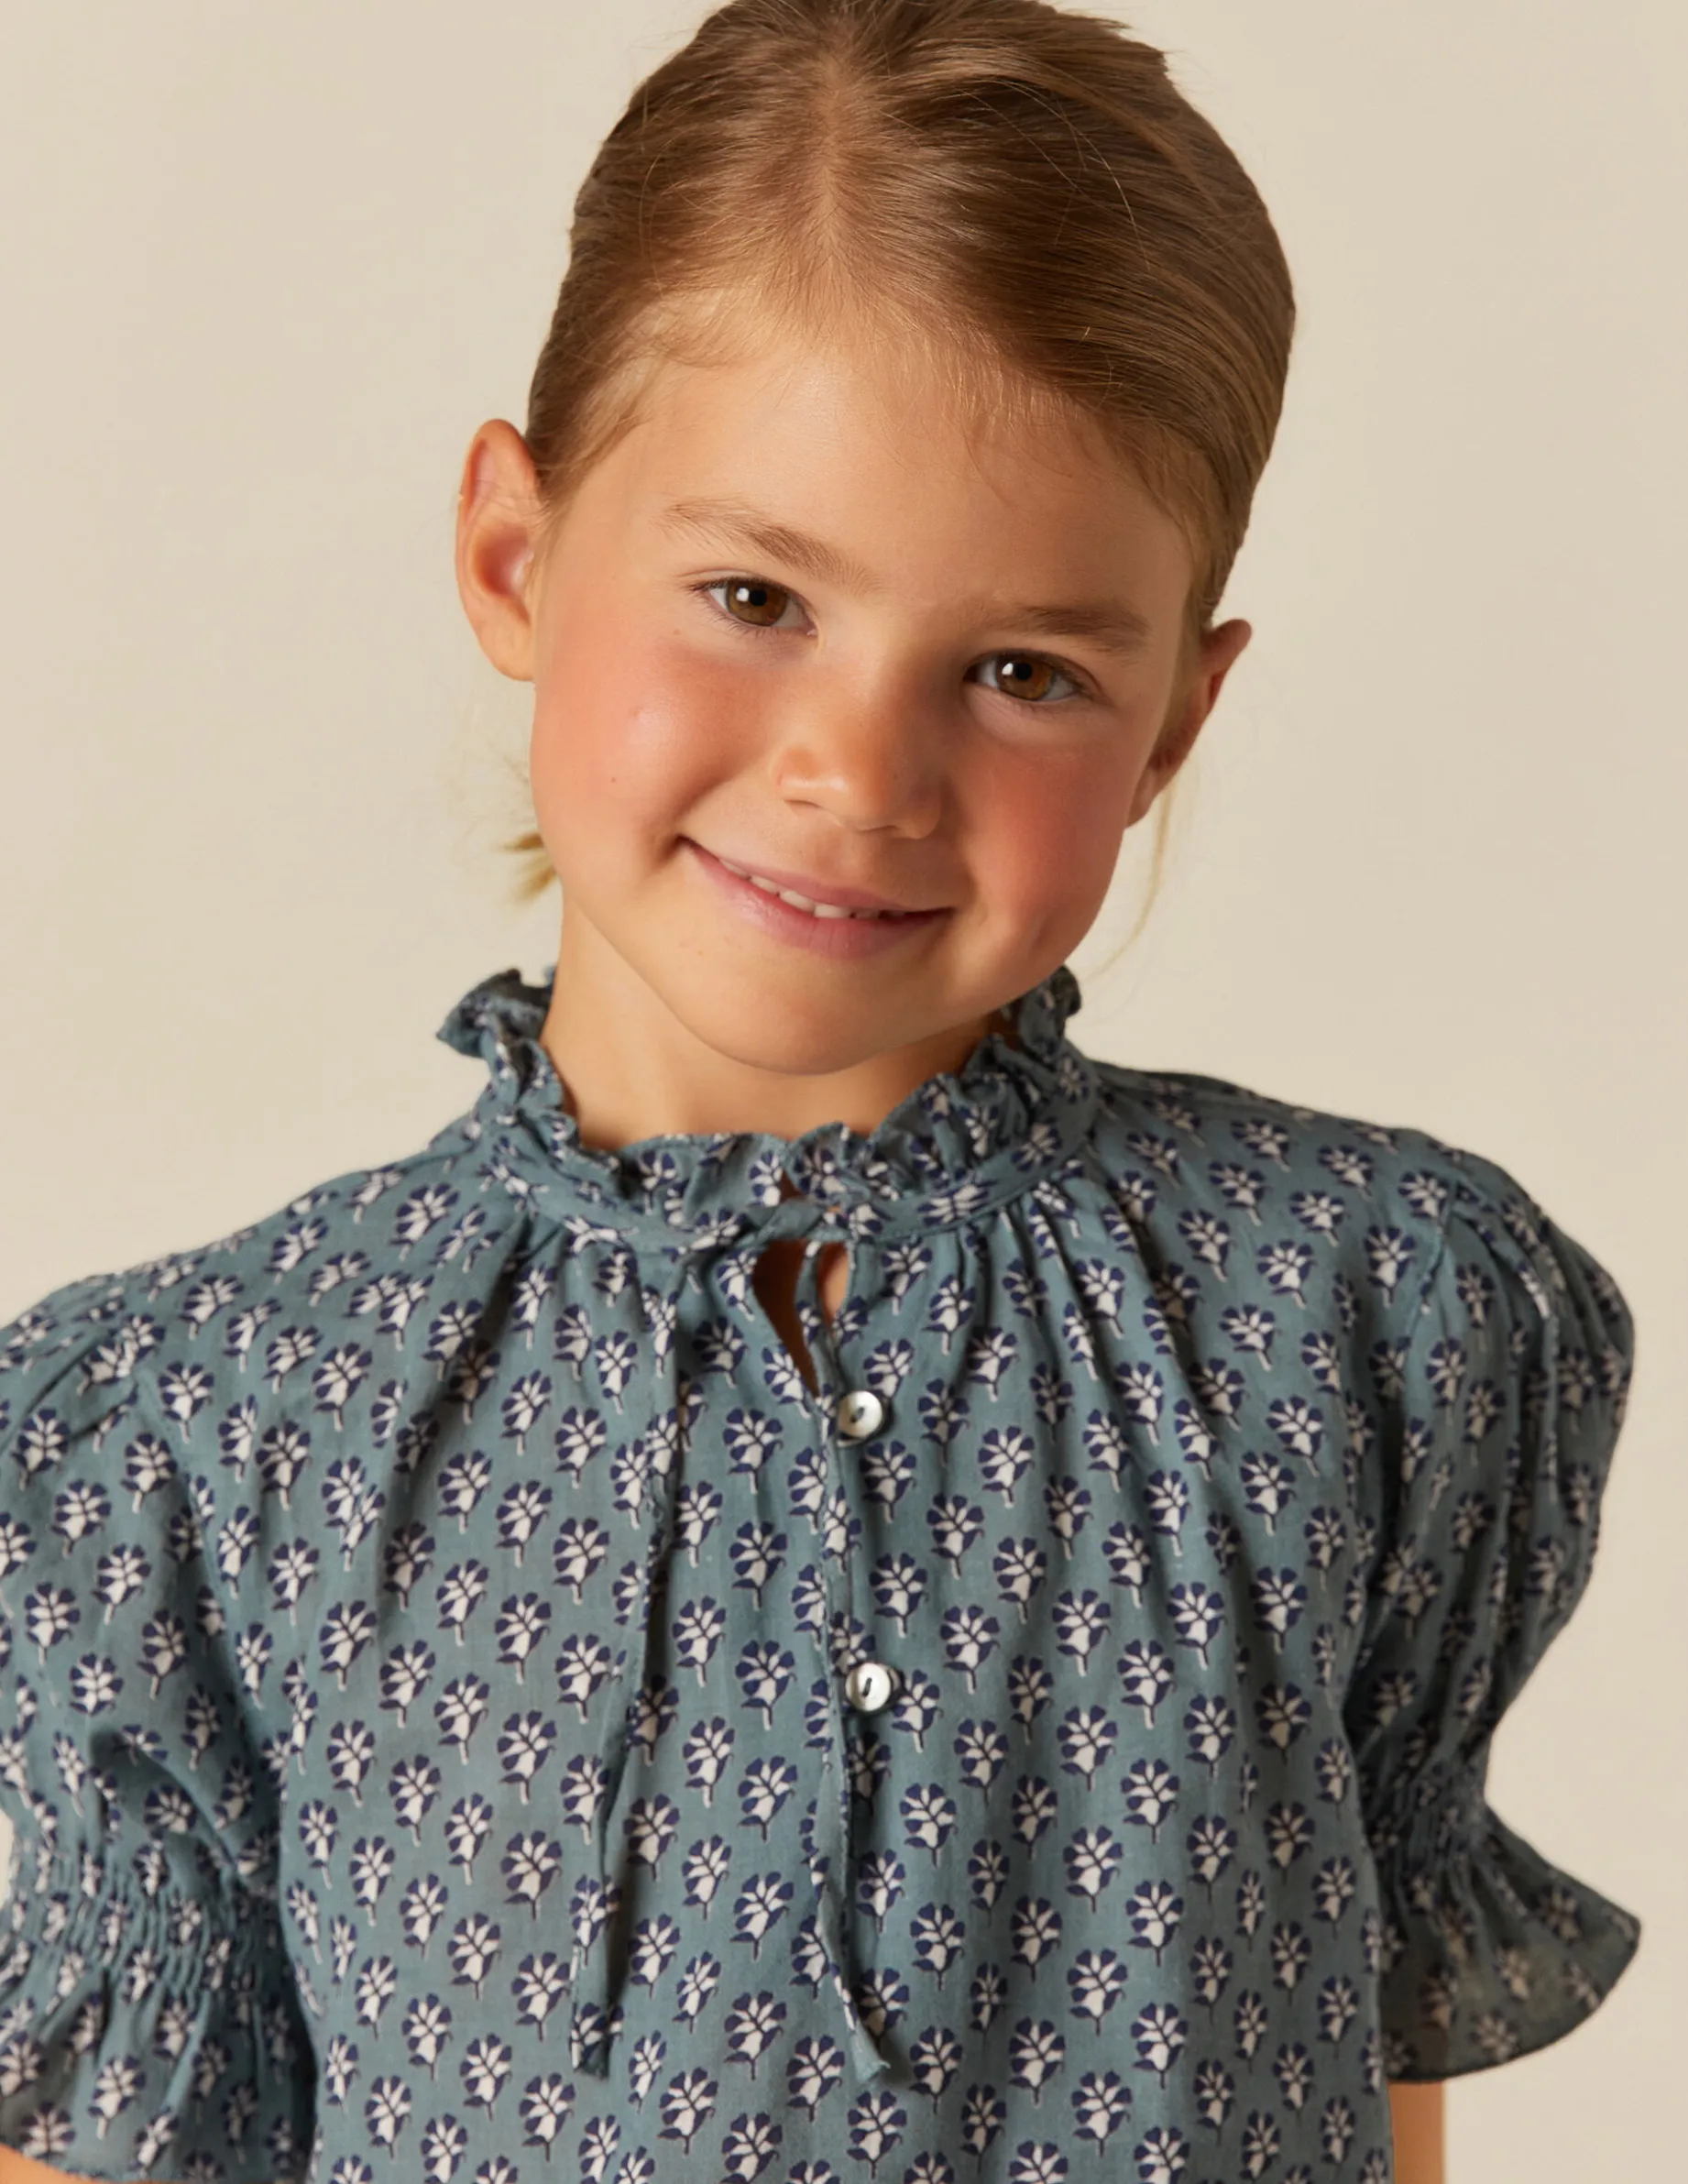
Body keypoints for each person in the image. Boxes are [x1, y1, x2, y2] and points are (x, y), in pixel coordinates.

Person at [0, 3, 1641, 2179]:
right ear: (513, 556)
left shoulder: (1370, 1320)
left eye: (1024, 670)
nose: (859, 775)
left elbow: (1371, 2066)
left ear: (1174, 719)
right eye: (755, 595)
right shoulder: (198, 1443)